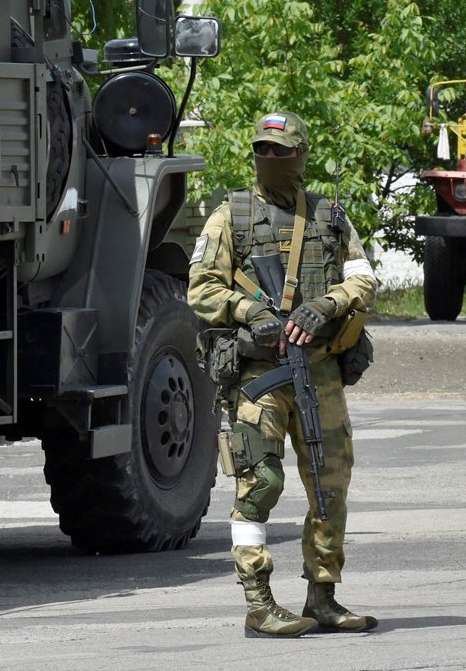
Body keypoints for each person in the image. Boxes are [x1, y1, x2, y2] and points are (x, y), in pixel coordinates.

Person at [188, 111, 379, 638]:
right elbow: (200, 289)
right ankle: (258, 602)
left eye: (282, 152)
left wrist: (327, 303)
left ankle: (323, 597)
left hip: (319, 372)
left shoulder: (329, 217)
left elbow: (364, 279)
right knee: (260, 482)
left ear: (302, 154)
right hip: (258, 375)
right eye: (263, 151)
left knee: (330, 486)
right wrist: (251, 313)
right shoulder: (230, 217)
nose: (271, 160)